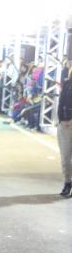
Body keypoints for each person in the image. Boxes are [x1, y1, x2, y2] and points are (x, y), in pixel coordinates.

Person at [57, 67, 72, 197]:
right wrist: (62, 119)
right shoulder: (67, 84)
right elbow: (61, 103)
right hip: (67, 124)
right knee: (66, 157)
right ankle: (67, 182)